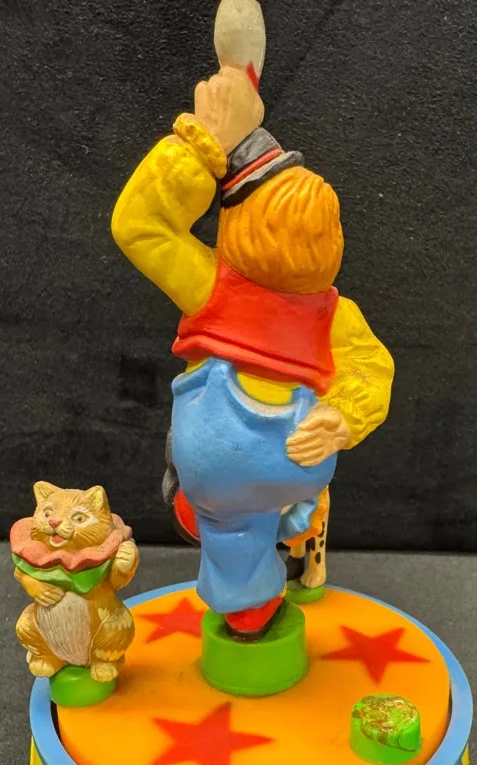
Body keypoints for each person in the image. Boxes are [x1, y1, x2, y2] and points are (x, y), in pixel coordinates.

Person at [112, 67, 394, 640]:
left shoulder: (214, 285)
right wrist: (343, 414)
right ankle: (270, 538)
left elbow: (139, 224)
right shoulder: (324, 311)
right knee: (230, 517)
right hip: (277, 467)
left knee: (227, 526)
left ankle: (249, 599)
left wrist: (202, 145)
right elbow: (370, 366)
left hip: (234, 476)